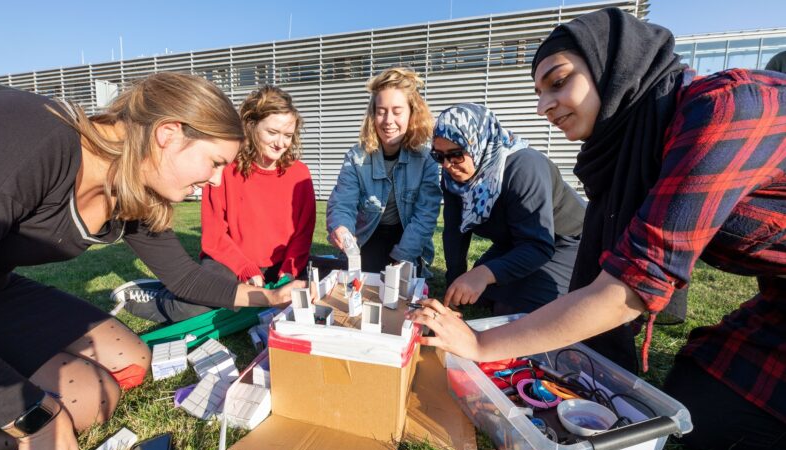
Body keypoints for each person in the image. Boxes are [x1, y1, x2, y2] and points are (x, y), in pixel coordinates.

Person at [409, 8, 785, 450]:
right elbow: (604, 259)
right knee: (698, 399)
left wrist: (480, 343)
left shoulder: (725, 112)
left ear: (615, 66)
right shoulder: (624, 147)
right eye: (538, 92)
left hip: (550, 252)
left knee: (736, 429)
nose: (542, 106)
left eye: (559, 81)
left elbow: (629, 286)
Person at [0, 73, 301, 450]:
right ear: (168, 134)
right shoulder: (37, 137)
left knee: (129, 361)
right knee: (74, 407)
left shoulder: (134, 184)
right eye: (214, 162)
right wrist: (34, 416)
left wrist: (269, 297)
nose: (216, 179)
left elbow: (184, 277)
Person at [114, 85, 315, 323]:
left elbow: (303, 233)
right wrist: (245, 268)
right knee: (190, 311)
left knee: (300, 301)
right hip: (230, 263)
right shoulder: (222, 168)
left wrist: (289, 272)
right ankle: (154, 295)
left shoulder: (300, 173)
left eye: (288, 135)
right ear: (251, 126)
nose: (280, 143)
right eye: (272, 132)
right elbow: (214, 237)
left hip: (279, 266)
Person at [435, 103, 584, 315]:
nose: (447, 165)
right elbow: (455, 231)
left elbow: (538, 245)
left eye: (456, 154)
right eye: (438, 156)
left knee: (510, 309)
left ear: (479, 142)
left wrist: (482, 274)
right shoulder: (453, 177)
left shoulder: (524, 167)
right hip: (514, 242)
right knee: (477, 294)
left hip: (565, 241)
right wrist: (455, 279)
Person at [327, 67, 441, 275]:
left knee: (399, 284)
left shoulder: (427, 160)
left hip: (407, 234)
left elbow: (425, 216)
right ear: (373, 115)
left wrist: (403, 256)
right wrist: (341, 227)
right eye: (381, 112)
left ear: (412, 114)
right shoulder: (355, 158)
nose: (388, 121)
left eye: (397, 112)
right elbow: (343, 203)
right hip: (368, 236)